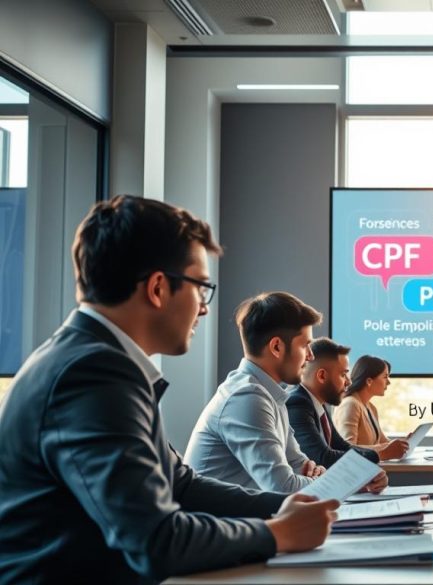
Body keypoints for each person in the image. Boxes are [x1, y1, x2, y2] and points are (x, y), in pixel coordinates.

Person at [0, 196, 337, 583]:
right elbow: (156, 540)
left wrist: (285, 505)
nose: (205, 308)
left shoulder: (96, 360)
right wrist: (278, 533)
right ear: (158, 288)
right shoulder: (93, 373)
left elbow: (180, 484)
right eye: (201, 288)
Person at [184, 292, 387, 493]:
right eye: (305, 345)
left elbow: (299, 463)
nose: (310, 356)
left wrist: (354, 480)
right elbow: (282, 487)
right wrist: (343, 482)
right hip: (224, 523)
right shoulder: (247, 397)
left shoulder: (271, 394)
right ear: (277, 347)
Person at [286, 337, 380, 466]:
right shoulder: (297, 403)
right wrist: (378, 455)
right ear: (322, 376)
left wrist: (374, 456)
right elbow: (323, 457)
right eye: (343, 374)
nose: (349, 382)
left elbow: (341, 446)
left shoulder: (317, 403)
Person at [334, 355, 410, 461]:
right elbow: (347, 449)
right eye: (385, 377)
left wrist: (404, 443)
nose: (388, 382)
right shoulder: (350, 404)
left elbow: (384, 442)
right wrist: (385, 449)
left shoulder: (370, 407)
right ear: (369, 381)